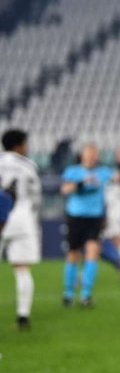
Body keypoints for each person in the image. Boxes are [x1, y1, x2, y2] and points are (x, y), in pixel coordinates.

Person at [60, 144, 120, 308]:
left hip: (94, 218)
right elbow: (65, 189)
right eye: (90, 154)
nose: (93, 157)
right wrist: (81, 184)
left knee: (92, 252)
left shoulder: (103, 172)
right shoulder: (73, 171)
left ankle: (86, 295)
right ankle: (68, 293)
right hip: (75, 217)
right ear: (83, 155)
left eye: (95, 154)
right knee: (73, 254)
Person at [0, 129, 42, 330]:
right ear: (18, 146)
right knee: (22, 269)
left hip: (1, 216)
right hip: (22, 218)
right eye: (25, 143)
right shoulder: (29, 166)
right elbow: (36, 197)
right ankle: (23, 315)